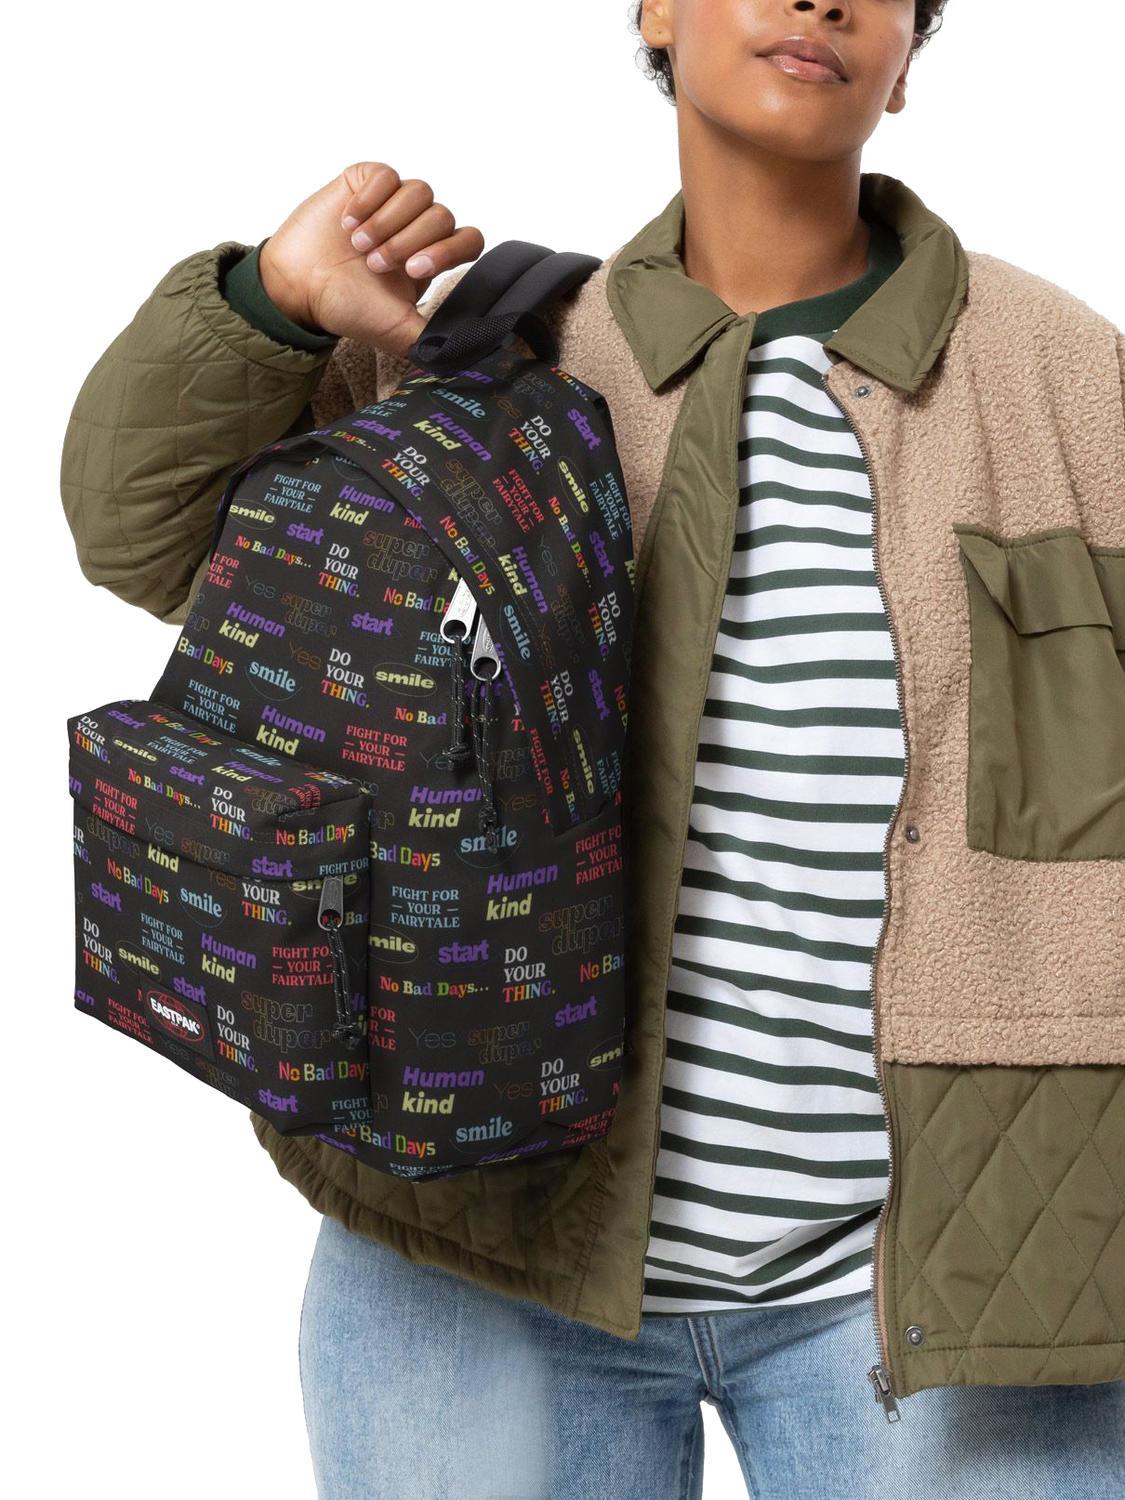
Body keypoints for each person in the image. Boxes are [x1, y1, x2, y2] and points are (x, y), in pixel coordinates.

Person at [60, 2, 1125, 1496]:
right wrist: (276, 305)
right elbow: (144, 535)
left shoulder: (1069, 385)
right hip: (472, 1261)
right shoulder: (486, 355)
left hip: (950, 1285)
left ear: (908, 55)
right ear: (657, 11)